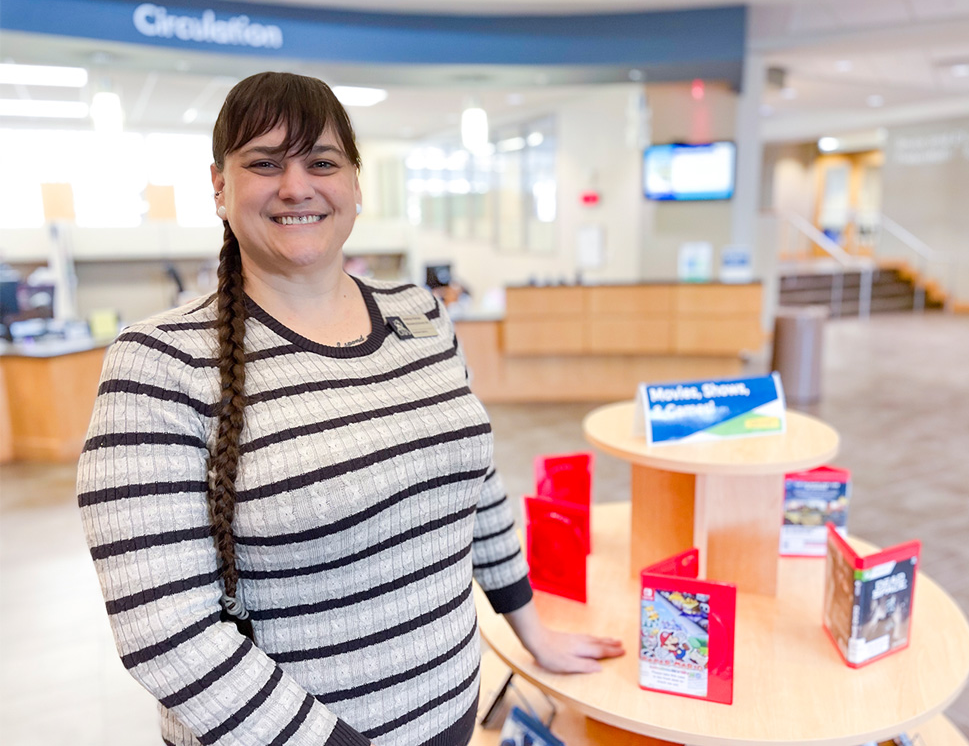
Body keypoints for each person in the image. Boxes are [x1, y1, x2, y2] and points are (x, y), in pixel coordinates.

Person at [77, 72, 623, 746]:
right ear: (219, 186)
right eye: (265, 163)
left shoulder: (419, 313)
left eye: (322, 162)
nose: (296, 185)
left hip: (448, 715)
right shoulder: (157, 364)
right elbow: (168, 631)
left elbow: (478, 487)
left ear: (357, 185)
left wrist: (532, 631)